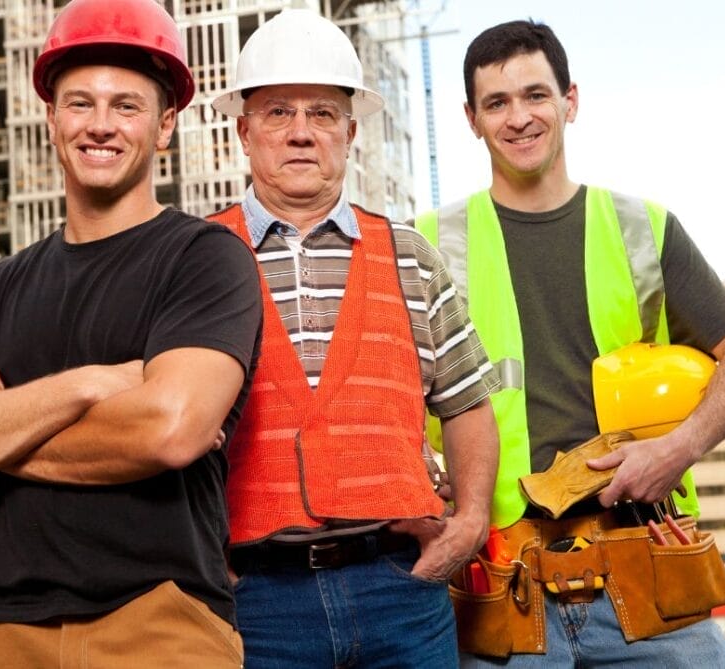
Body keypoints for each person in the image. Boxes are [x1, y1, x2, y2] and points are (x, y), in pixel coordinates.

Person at [0, 0, 262, 666]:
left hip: (161, 623)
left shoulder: (206, 258)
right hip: (3, 634)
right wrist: (94, 383)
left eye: (126, 106)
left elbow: (169, 428)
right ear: (52, 119)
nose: (100, 125)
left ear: (166, 124)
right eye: (80, 103)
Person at [413, 20, 725, 667]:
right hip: (504, 584)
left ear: (570, 100)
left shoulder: (642, 227)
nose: (519, 117)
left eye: (535, 95)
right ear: (471, 119)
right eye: (496, 102)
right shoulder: (427, 245)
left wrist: (678, 447)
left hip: (647, 572)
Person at [206, 9, 500, 667]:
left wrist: (471, 521)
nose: (302, 133)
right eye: (278, 112)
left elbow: (467, 403)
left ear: (352, 131)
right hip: (253, 600)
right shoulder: (194, 257)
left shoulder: (411, 256)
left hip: (400, 589)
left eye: (323, 113)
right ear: (244, 132)